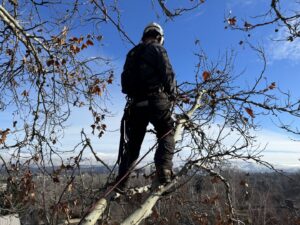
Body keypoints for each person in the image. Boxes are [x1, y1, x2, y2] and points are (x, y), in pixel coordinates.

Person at [116, 22, 176, 190]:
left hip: (135, 106)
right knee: (167, 132)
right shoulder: (158, 49)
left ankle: (121, 183)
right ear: (159, 37)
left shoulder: (132, 53)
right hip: (157, 100)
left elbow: (124, 86)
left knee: (132, 146)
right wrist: (172, 95)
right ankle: (164, 171)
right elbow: (168, 74)